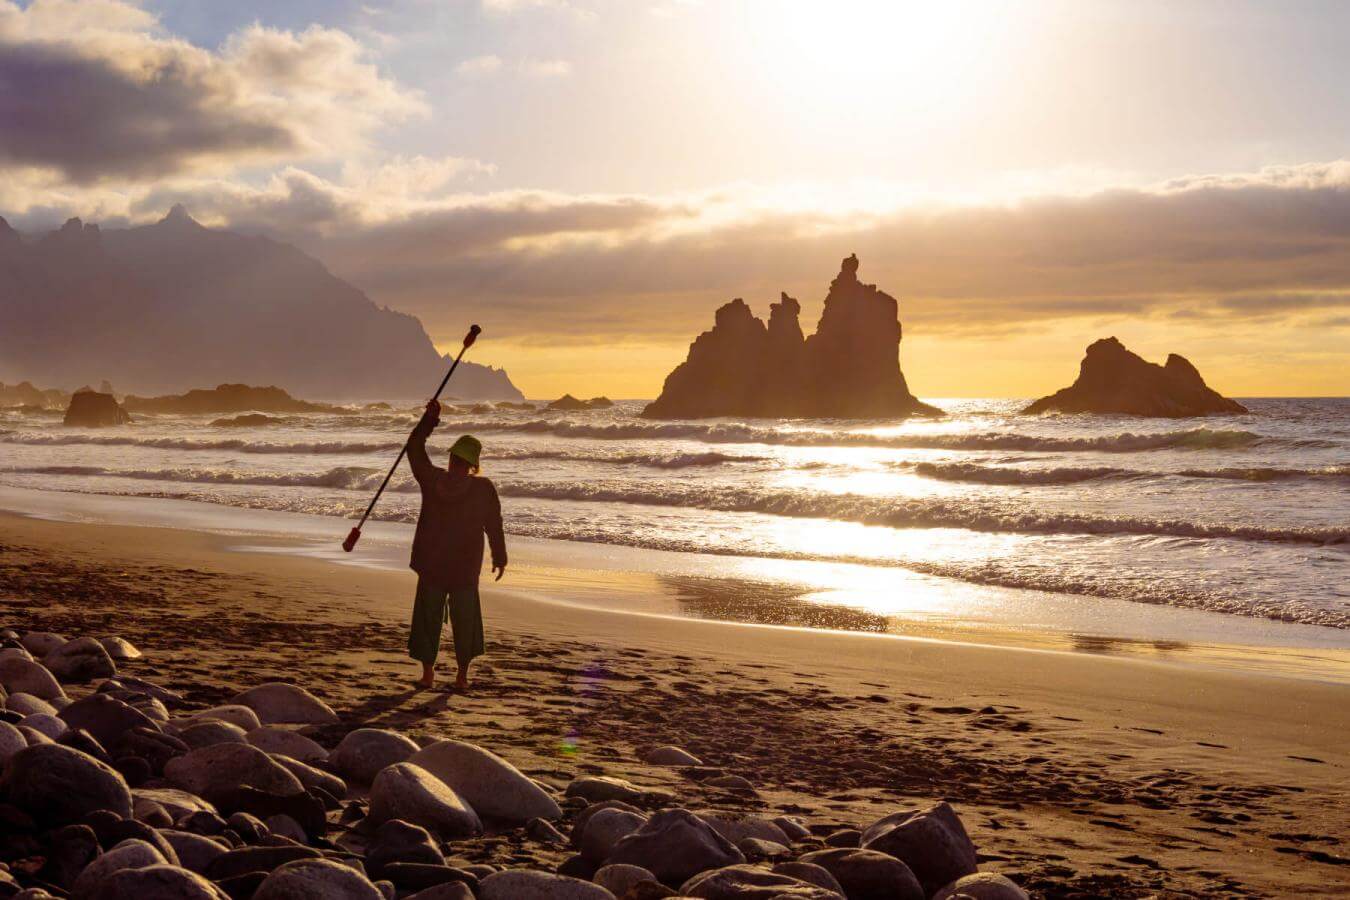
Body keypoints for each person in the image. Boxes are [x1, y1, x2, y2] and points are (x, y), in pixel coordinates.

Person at [405, 398, 506, 691]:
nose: (456, 465)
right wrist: (499, 556)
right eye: (457, 460)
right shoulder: (482, 488)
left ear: (460, 462)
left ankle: (433, 675)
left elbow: (414, 447)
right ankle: (457, 677)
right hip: (460, 567)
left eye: (457, 460)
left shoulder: (433, 479)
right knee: (463, 621)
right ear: (474, 465)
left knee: (431, 618)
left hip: (437, 564)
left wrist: (430, 420)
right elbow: (494, 526)